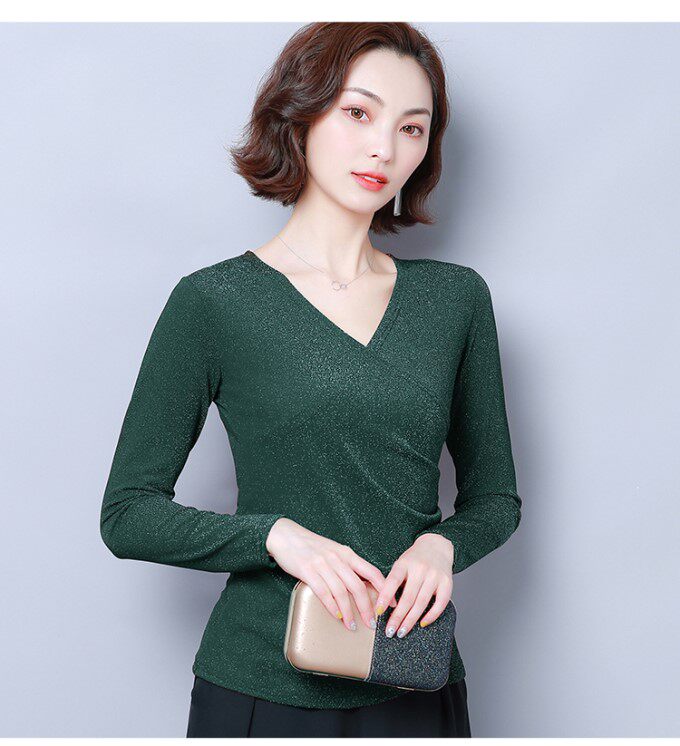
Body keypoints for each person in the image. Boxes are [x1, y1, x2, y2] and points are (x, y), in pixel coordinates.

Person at [100, 21, 522, 738]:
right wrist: (276, 538)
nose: (384, 149)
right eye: (358, 113)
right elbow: (127, 513)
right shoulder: (214, 301)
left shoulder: (455, 299)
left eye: (411, 128)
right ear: (301, 114)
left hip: (411, 673)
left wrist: (442, 546)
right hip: (259, 683)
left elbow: (495, 500)